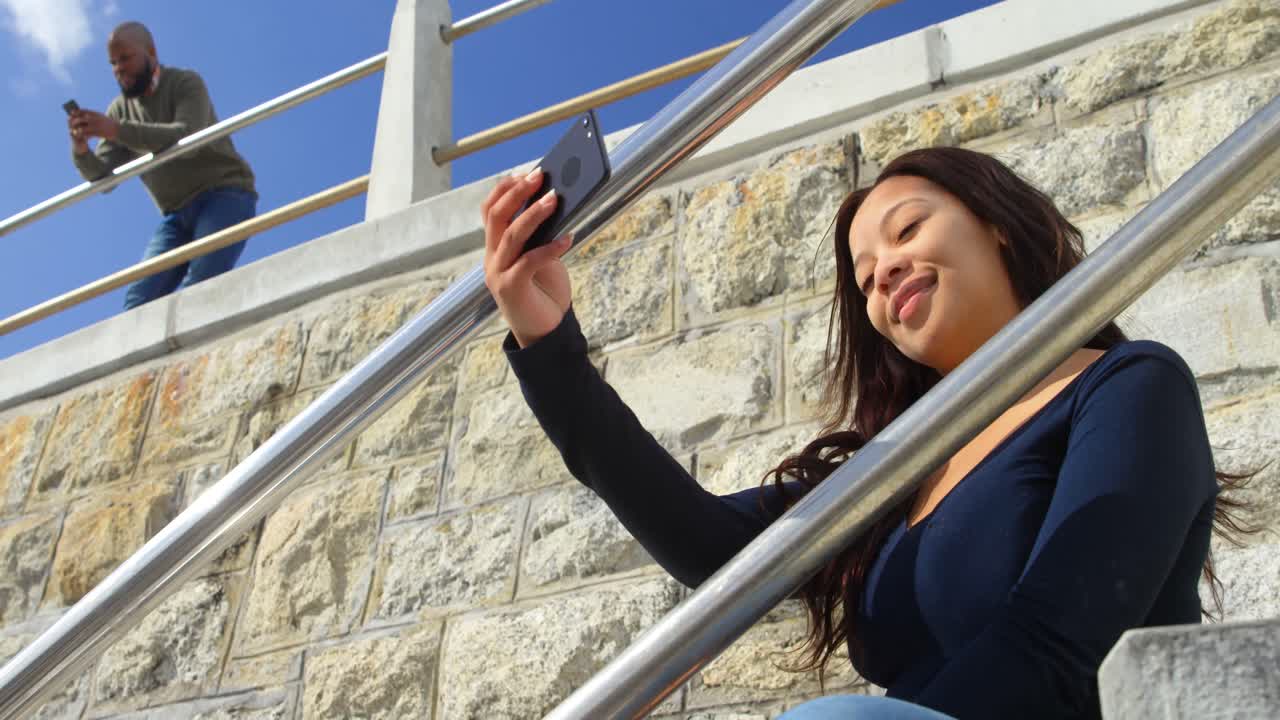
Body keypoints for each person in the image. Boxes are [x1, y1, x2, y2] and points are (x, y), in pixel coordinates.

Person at [480, 147, 1252, 719]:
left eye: (908, 229)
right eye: (864, 274)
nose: (883, 272)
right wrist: (549, 343)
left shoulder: (1126, 385)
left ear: (998, 227)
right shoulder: (889, 471)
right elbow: (707, 547)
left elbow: (1058, 644)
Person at [67, 21, 257, 310]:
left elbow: (185, 139)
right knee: (137, 303)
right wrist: (81, 147)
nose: (119, 69)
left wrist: (117, 130)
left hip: (224, 195)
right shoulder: (119, 111)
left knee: (200, 283)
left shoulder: (185, 82)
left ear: (151, 52)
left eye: (126, 58)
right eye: (113, 63)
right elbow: (102, 178)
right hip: (175, 215)